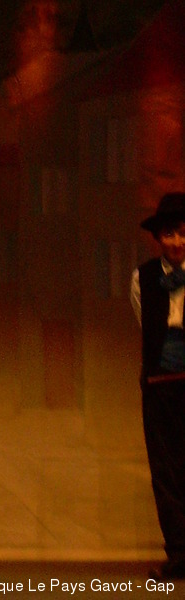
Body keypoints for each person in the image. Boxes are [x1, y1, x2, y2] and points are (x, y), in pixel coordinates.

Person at [130, 192, 185, 581]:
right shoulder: (143, 277)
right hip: (160, 385)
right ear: (158, 238)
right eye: (169, 234)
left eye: (183, 233)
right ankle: (179, 553)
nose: (177, 242)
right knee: (166, 472)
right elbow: (146, 325)